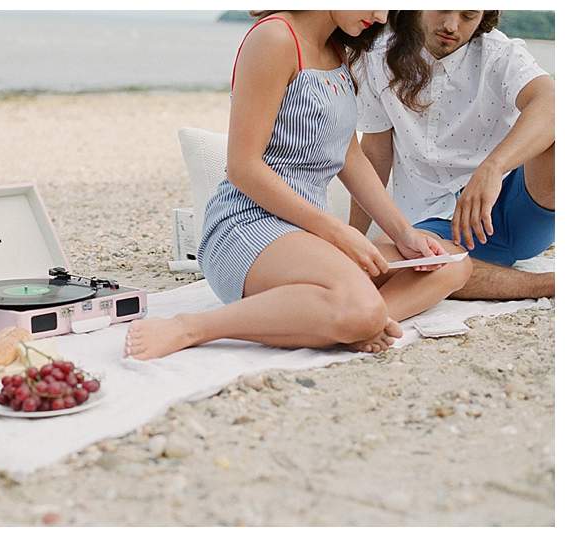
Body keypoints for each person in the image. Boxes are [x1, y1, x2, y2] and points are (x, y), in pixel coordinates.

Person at [125, 10, 472, 361]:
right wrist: (340, 233)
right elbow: (243, 168)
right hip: (249, 227)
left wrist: (403, 234)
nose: (380, 15)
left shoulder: (340, 49)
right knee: (360, 304)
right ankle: (192, 326)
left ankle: (357, 321)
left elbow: (350, 157)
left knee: (454, 265)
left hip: (310, 237)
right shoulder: (275, 39)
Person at [350, 10, 554, 299]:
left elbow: (551, 102)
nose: (451, 25)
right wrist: (354, 238)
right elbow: (374, 154)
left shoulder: (500, 53)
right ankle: (547, 284)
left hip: (515, 209)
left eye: (468, 15)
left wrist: (492, 168)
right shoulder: (376, 57)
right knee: (375, 266)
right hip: (431, 224)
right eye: (443, 8)